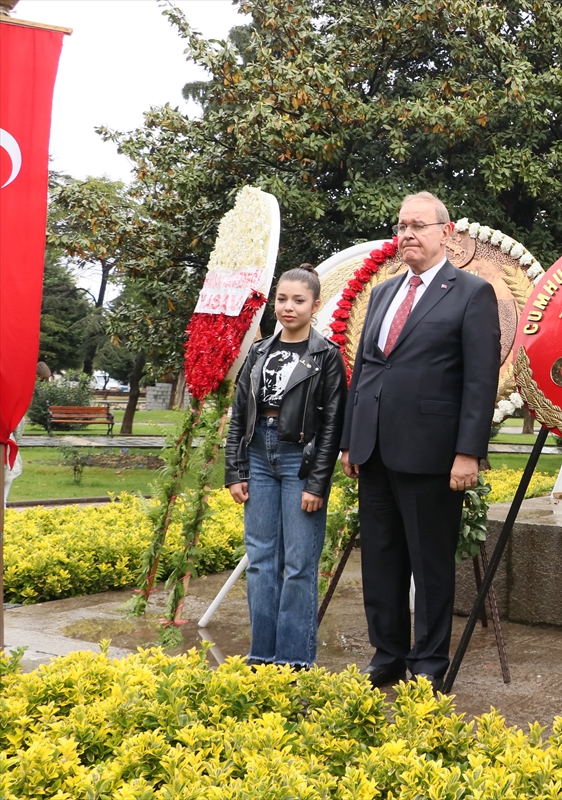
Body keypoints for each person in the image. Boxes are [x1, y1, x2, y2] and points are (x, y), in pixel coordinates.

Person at [340, 191, 501, 690]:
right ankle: (386, 654)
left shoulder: (472, 292)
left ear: (445, 232)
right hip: (374, 451)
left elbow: (480, 380)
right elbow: (365, 368)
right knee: (382, 559)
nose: (407, 234)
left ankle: (428, 662)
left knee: (429, 565)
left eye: (418, 225)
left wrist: (468, 451)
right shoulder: (385, 292)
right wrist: (350, 440)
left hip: (432, 454)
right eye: (401, 225)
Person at [225, 264, 347, 669]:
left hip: (300, 460)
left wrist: (317, 482)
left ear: (315, 305)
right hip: (258, 455)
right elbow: (240, 413)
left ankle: (294, 660)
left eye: (298, 300)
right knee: (260, 561)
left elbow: (332, 425)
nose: (288, 307)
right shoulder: (259, 351)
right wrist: (235, 470)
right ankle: (261, 656)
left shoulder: (326, 356)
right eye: (282, 299)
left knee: (298, 565)